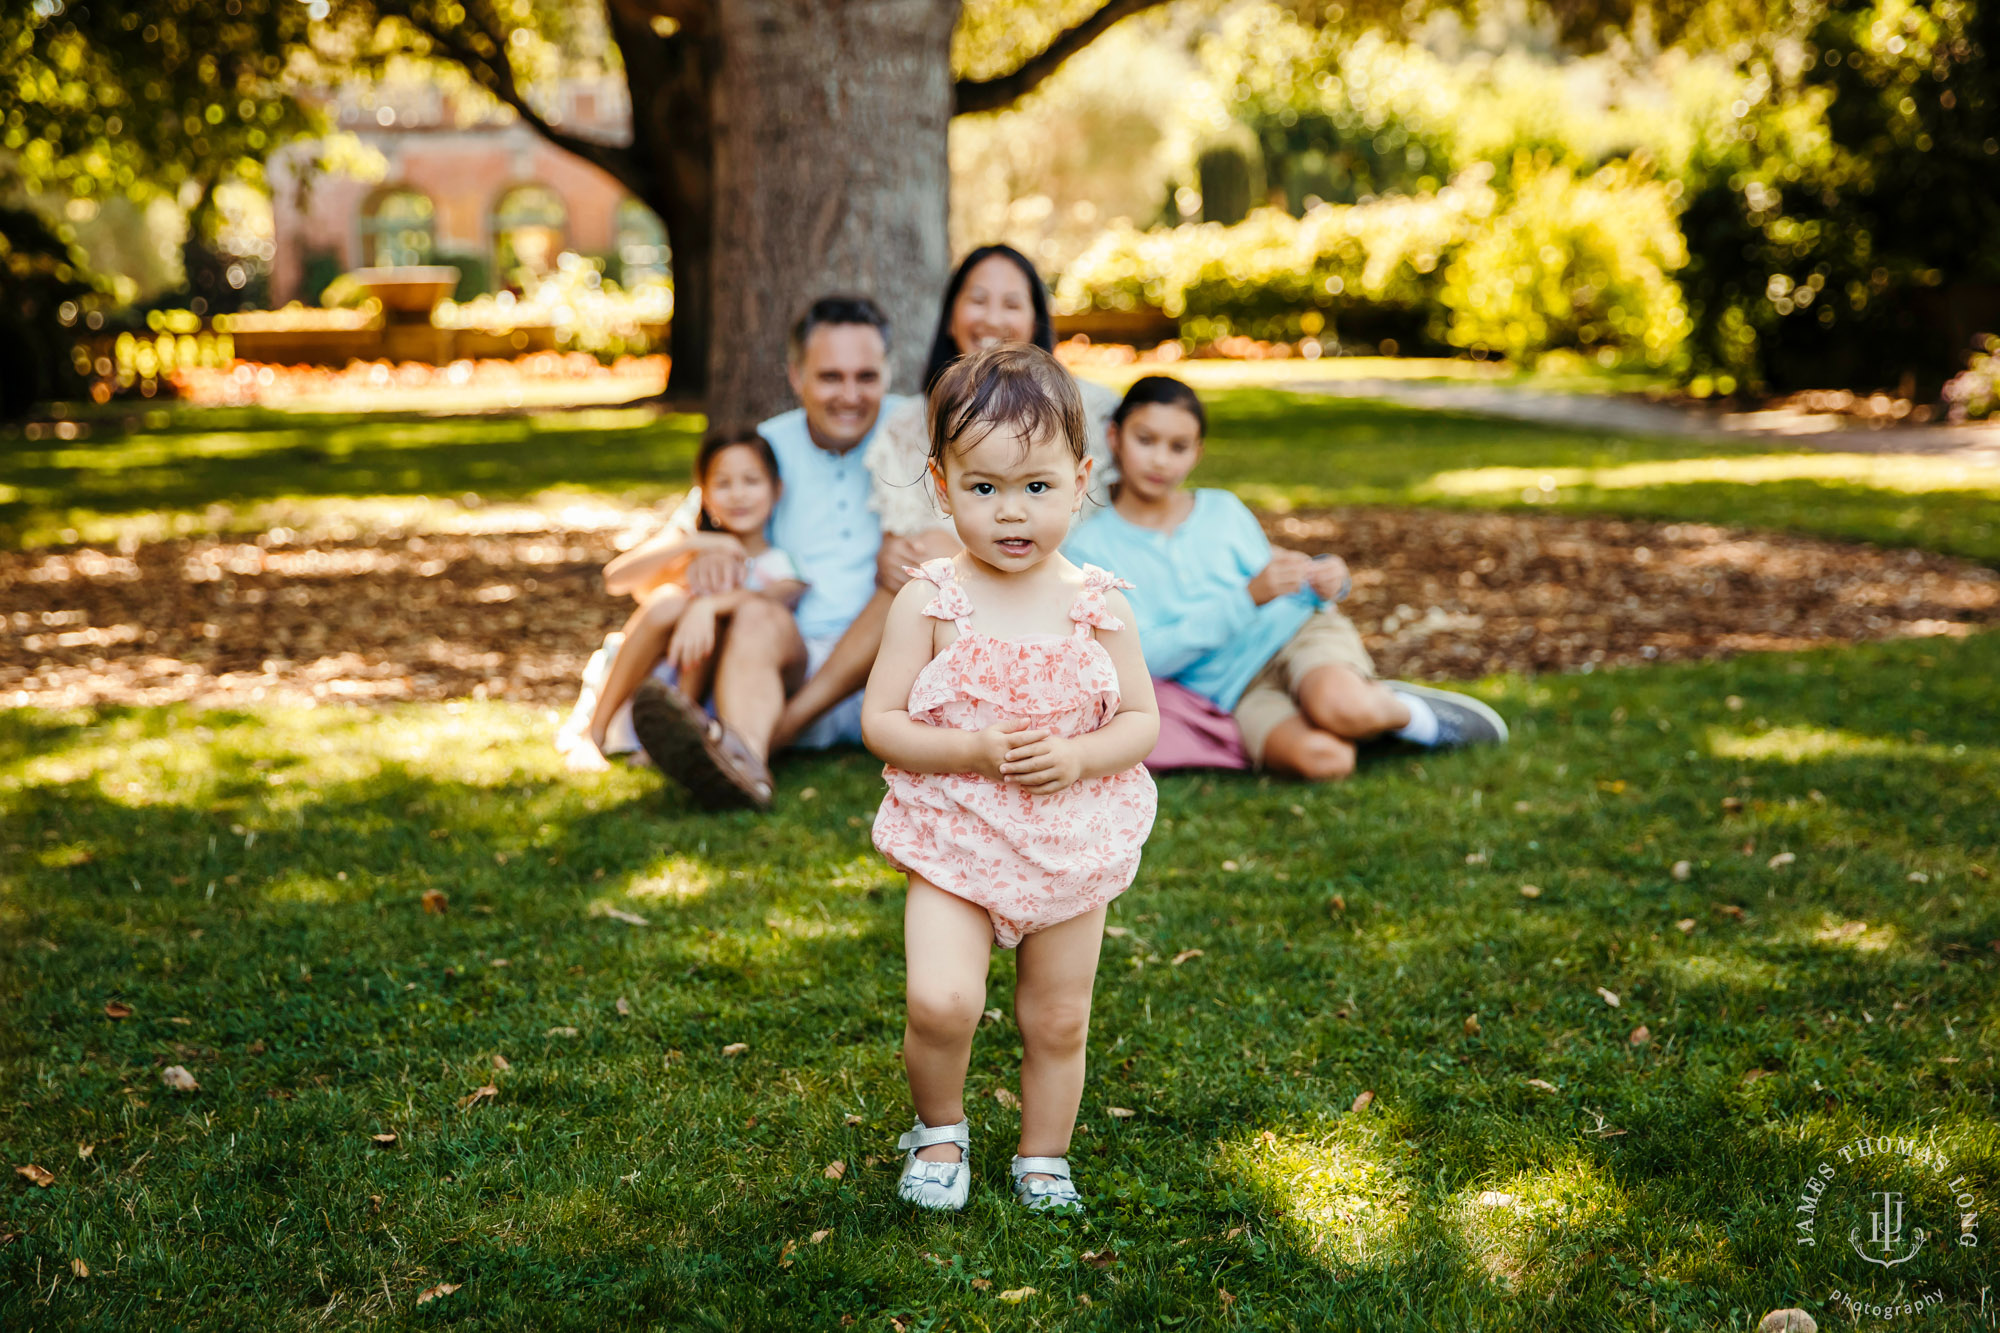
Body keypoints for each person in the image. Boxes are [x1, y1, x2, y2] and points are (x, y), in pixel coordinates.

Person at [862, 344, 1159, 1214]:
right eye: (983, 488)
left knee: (1058, 1016)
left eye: (1036, 486)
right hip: (956, 830)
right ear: (942, 485)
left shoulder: (1099, 603)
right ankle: (941, 1128)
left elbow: (1142, 722)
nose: (1011, 512)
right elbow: (881, 721)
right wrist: (973, 749)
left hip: (1069, 835)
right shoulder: (930, 598)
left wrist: (1077, 756)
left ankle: (1043, 1155)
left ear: (1080, 478)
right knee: (942, 999)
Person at [1064, 375, 1508, 781]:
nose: (1160, 460)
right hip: (1234, 689)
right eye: (1146, 440)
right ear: (1114, 437)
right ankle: (1366, 709)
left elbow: (1284, 579)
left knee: (1341, 707)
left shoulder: (1222, 509)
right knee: (1328, 761)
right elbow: (1148, 657)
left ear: (1197, 453)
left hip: (1294, 638)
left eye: (1178, 447)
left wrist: (1331, 578)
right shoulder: (1090, 548)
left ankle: (1405, 713)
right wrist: (1246, 598)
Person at [769, 245, 1120, 751]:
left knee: (934, 567)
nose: (993, 317)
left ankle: (785, 726)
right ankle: (802, 724)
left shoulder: (1091, 408)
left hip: (1058, 579)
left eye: (1012, 303)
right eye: (977, 300)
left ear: (1037, 321)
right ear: (951, 315)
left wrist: (949, 551)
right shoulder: (912, 421)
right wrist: (906, 553)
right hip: (948, 603)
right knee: (921, 577)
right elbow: (899, 541)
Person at [627, 295, 906, 809]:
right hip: (786, 653)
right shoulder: (764, 450)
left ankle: (765, 739)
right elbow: (647, 575)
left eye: (866, 377)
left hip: (894, 651)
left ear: (889, 373)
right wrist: (707, 550)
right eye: (830, 377)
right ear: (796, 376)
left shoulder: (918, 430)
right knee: (756, 615)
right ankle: (745, 767)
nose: (850, 395)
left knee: (914, 574)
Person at [556, 428, 804, 773]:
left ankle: (677, 732)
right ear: (704, 495)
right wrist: (694, 544)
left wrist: (708, 606)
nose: (738, 495)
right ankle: (592, 734)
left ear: (777, 490)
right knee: (670, 601)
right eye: (723, 484)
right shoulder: (694, 555)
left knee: (709, 614)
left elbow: (772, 597)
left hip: (714, 689)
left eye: (751, 481)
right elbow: (615, 579)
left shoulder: (777, 566)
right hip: (658, 671)